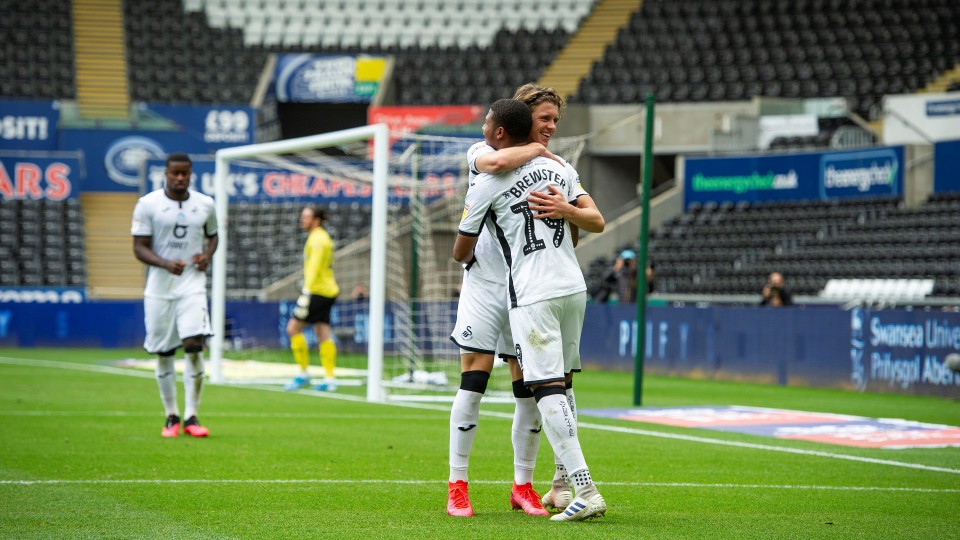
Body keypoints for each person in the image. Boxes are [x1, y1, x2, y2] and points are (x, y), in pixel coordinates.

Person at [454, 99, 607, 522]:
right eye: (545, 119)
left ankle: (577, 486)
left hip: (531, 290)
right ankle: (556, 485)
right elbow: (497, 160)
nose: (552, 128)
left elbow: (592, 220)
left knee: (544, 389)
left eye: (556, 121)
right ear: (523, 122)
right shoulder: (537, 166)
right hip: (554, 286)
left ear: (501, 126)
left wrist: (566, 210)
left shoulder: (510, 178)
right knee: (551, 384)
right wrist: (542, 159)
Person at [132, 152, 218, 438]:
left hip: (192, 284)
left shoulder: (206, 204)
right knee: (164, 351)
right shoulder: (148, 204)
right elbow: (139, 247)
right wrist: (166, 263)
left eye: (185, 173)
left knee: (194, 344)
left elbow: (213, 235)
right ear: (166, 174)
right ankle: (172, 416)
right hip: (159, 289)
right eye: (175, 173)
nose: (180, 178)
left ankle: (192, 416)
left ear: (191, 173)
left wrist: (206, 256)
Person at [284, 206, 340, 392]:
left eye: (306, 217)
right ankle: (330, 378)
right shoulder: (320, 237)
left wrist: (306, 292)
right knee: (323, 332)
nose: (303, 220)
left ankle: (303, 373)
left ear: (316, 220)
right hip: (326, 291)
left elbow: (315, 267)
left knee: (293, 328)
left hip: (317, 291)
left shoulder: (318, 239)